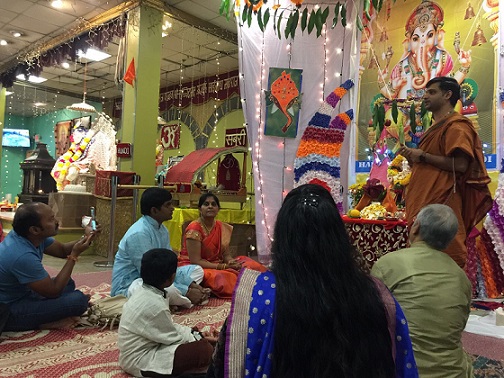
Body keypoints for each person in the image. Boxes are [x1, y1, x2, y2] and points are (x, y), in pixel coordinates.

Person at [206, 184, 418, 378]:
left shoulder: (258, 296)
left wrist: (237, 336)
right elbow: (399, 362)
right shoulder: (376, 295)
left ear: (283, 237)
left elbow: (223, 365)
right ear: (338, 237)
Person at [398, 76, 492, 268]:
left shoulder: (456, 125)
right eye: (425, 91)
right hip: (425, 197)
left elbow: (460, 165)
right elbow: (429, 163)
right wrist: (413, 157)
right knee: (421, 255)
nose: (425, 96)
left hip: (443, 199)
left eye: (431, 92)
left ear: (448, 95)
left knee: (444, 255)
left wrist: (423, 155)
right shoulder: (435, 126)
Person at [371, 204, 473, 377]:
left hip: (403, 369)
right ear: (449, 239)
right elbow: (458, 325)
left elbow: (372, 319)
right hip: (453, 373)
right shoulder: (460, 277)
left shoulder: (388, 264)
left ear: (416, 227)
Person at [0, 202, 99, 331]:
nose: (57, 222)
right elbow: (54, 291)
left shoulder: (30, 236)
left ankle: (49, 316)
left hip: (24, 294)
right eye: (51, 219)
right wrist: (74, 255)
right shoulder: (21, 254)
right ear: (35, 229)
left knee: (68, 283)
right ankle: (42, 322)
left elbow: (62, 250)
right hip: (8, 311)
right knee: (78, 301)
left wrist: (87, 237)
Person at [118, 248, 215, 377]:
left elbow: (167, 327)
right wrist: (200, 339)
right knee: (204, 350)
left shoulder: (146, 292)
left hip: (149, 346)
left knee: (197, 338)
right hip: (140, 360)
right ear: (171, 278)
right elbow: (172, 338)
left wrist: (196, 333)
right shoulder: (153, 304)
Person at [111, 187, 209, 306]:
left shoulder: (162, 229)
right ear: (154, 210)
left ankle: (172, 299)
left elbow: (169, 266)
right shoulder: (139, 233)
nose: (172, 208)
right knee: (167, 290)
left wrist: (193, 285)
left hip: (157, 278)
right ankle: (182, 299)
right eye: (168, 205)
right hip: (131, 285)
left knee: (197, 271)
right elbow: (150, 274)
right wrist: (187, 291)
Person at [178, 192, 267, 298]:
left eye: (213, 204)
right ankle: (251, 289)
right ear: (200, 209)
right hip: (197, 267)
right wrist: (224, 266)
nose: (210, 206)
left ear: (218, 209)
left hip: (217, 264)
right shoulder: (194, 229)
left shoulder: (221, 227)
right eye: (206, 204)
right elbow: (195, 261)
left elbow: (225, 254)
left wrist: (231, 262)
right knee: (222, 277)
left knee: (248, 263)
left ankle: (264, 285)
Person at [378, 0, 471, 100]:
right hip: (404, 112)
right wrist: (384, 83)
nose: (422, 43)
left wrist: (464, 66)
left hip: (434, 111)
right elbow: (390, 95)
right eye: (415, 39)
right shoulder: (402, 65)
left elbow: (450, 86)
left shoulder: (442, 58)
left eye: (430, 35)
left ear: (437, 36)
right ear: (409, 41)